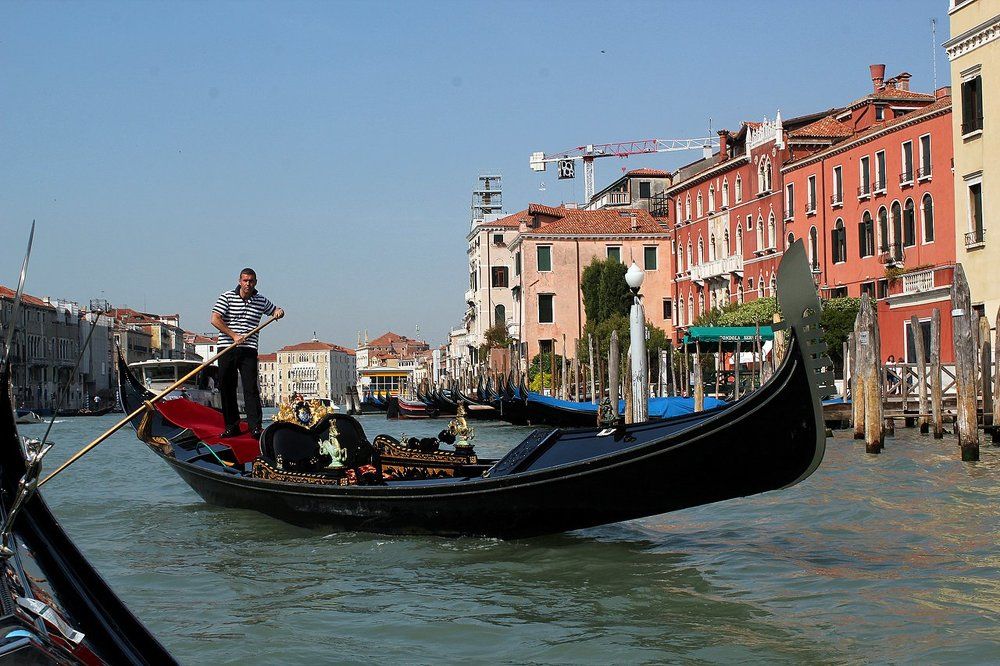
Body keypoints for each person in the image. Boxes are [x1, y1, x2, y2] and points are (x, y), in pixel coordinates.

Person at [211, 268, 284, 438]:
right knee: (227, 387)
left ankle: (255, 427)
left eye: (251, 281)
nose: (248, 284)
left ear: (255, 282)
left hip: (249, 349)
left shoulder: (260, 300)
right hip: (227, 347)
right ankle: (231, 426)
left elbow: (275, 310)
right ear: (239, 281)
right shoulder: (227, 297)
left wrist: (279, 312)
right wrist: (234, 335)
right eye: (245, 280)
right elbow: (215, 319)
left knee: (251, 388)